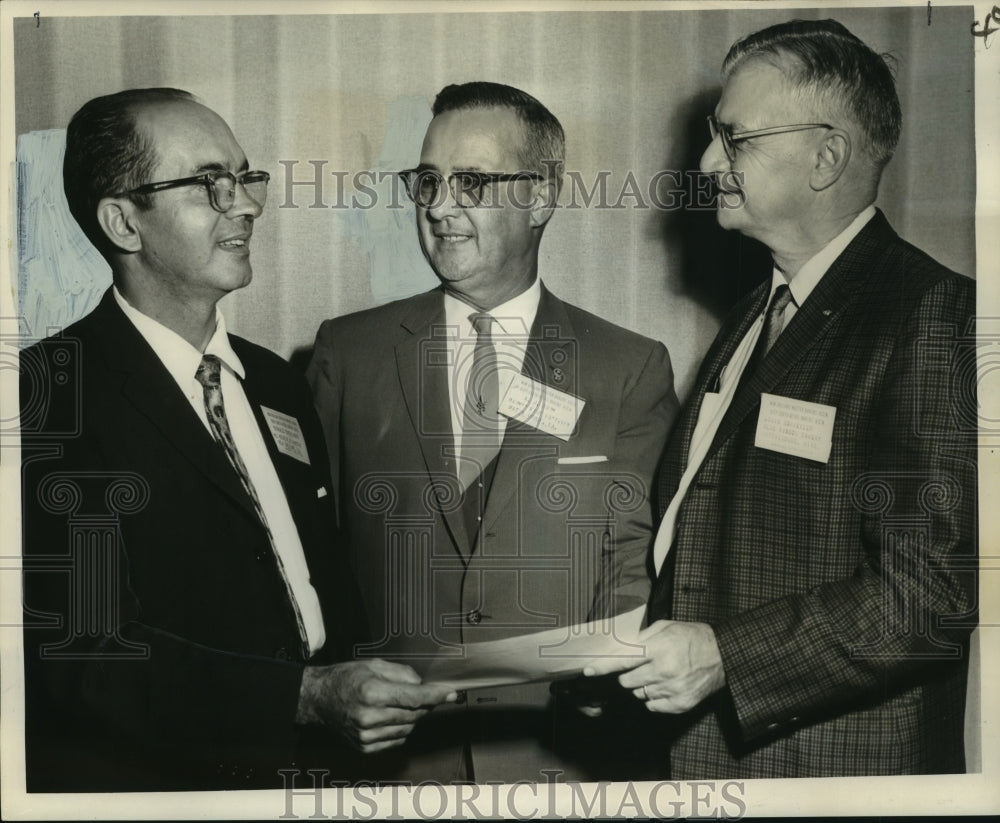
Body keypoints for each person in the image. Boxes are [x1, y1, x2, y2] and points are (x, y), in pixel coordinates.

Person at [19, 88, 456, 792]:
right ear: (123, 222)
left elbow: (324, 582)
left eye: (245, 176)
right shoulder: (48, 395)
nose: (246, 204)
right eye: (207, 183)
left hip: (324, 777)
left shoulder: (278, 383)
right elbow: (86, 656)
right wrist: (304, 697)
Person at [586, 19, 977, 777]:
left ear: (826, 157)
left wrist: (724, 656)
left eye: (735, 139)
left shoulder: (932, 315)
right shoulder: (755, 313)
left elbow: (930, 593)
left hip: (825, 773)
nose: (705, 162)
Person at [307, 81, 679, 782]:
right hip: (390, 765)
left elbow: (633, 557)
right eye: (428, 182)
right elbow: (309, 556)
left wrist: (609, 680)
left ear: (541, 196)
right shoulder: (347, 354)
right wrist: (323, 688)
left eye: (470, 182)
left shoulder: (627, 367)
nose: (440, 207)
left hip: (558, 760)